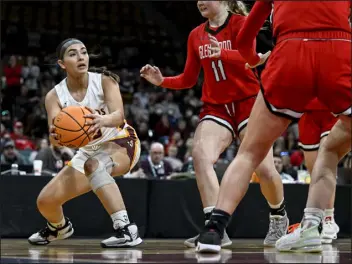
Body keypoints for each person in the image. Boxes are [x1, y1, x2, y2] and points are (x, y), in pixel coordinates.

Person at [197, 1, 351, 253]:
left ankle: (214, 229)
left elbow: (245, 37)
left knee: (249, 153)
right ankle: (313, 225)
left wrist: (253, 59)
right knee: (331, 149)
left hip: (291, 55)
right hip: (340, 52)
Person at [141, 0, 289, 248]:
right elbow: (188, 79)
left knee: (264, 170)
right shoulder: (195, 35)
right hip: (217, 107)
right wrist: (162, 81)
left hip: (249, 103)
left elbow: (250, 58)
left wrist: (223, 52)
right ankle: (215, 226)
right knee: (200, 155)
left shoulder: (242, 23)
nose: (199, 2)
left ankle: (278, 216)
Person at [28, 38, 143, 248]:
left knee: (94, 165)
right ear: (62, 64)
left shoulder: (105, 80)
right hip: (89, 151)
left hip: (121, 141)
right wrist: (59, 134)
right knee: (46, 201)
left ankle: (126, 229)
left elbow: (118, 116)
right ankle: (59, 227)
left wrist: (102, 120)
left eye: (83, 52)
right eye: (73, 54)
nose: (81, 57)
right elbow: (55, 137)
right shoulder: (54, 96)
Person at [296, 98, 340, 244]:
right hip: (306, 110)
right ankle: (315, 220)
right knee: (313, 169)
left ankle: (329, 218)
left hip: (332, 107)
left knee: (325, 165)